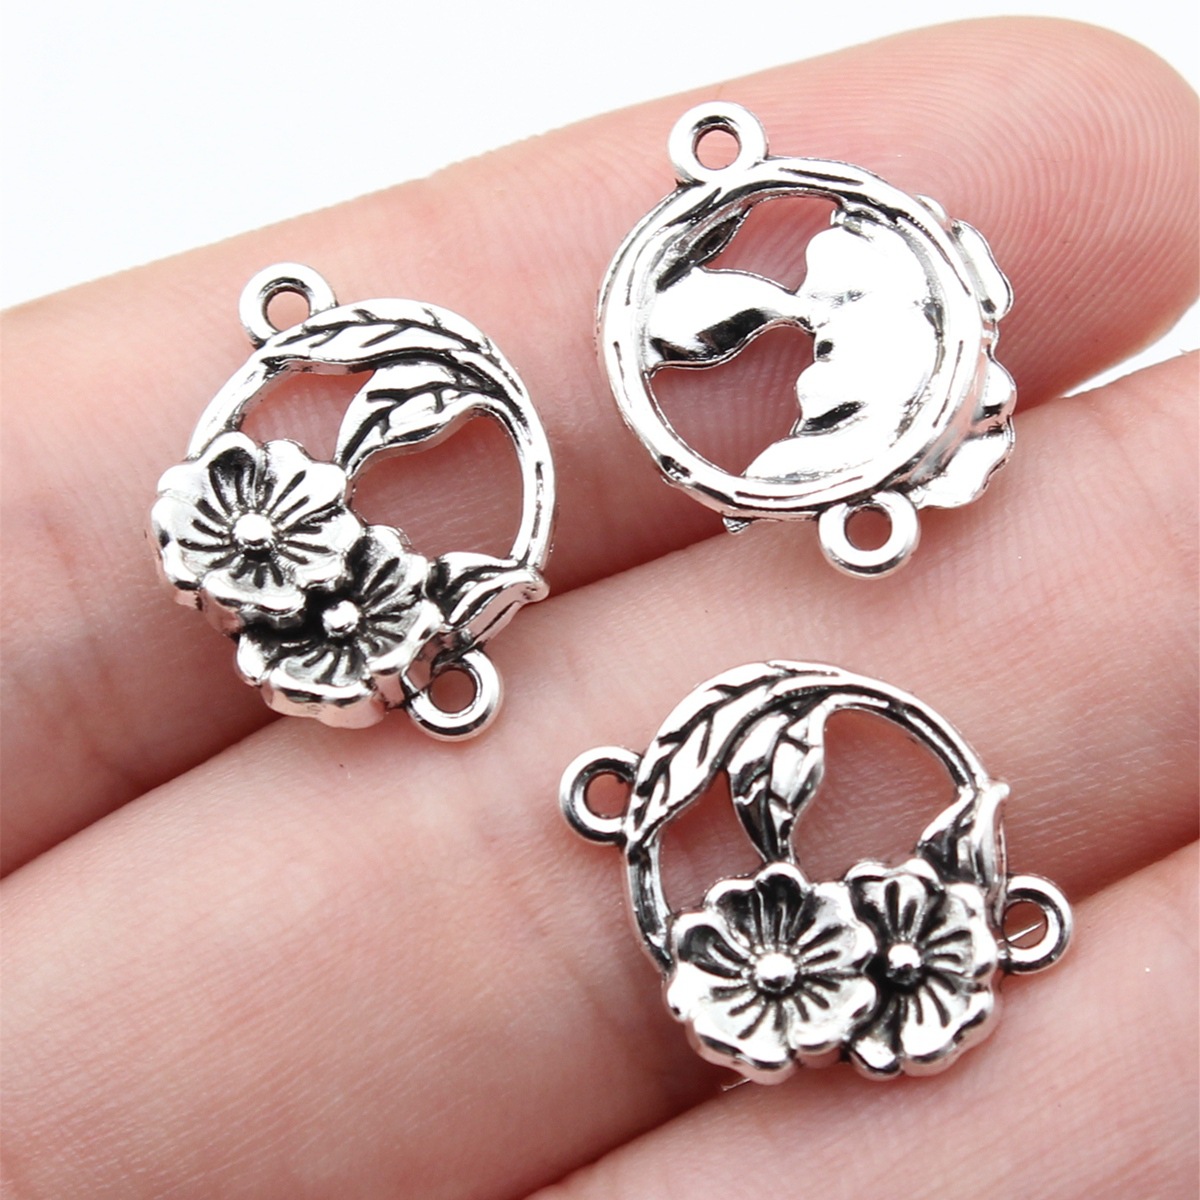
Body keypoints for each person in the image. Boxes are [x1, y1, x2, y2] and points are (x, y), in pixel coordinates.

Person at [1, 16, 1196, 1198]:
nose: (816, 335)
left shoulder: (858, 415)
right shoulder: (754, 419)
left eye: (846, 313)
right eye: (814, 312)